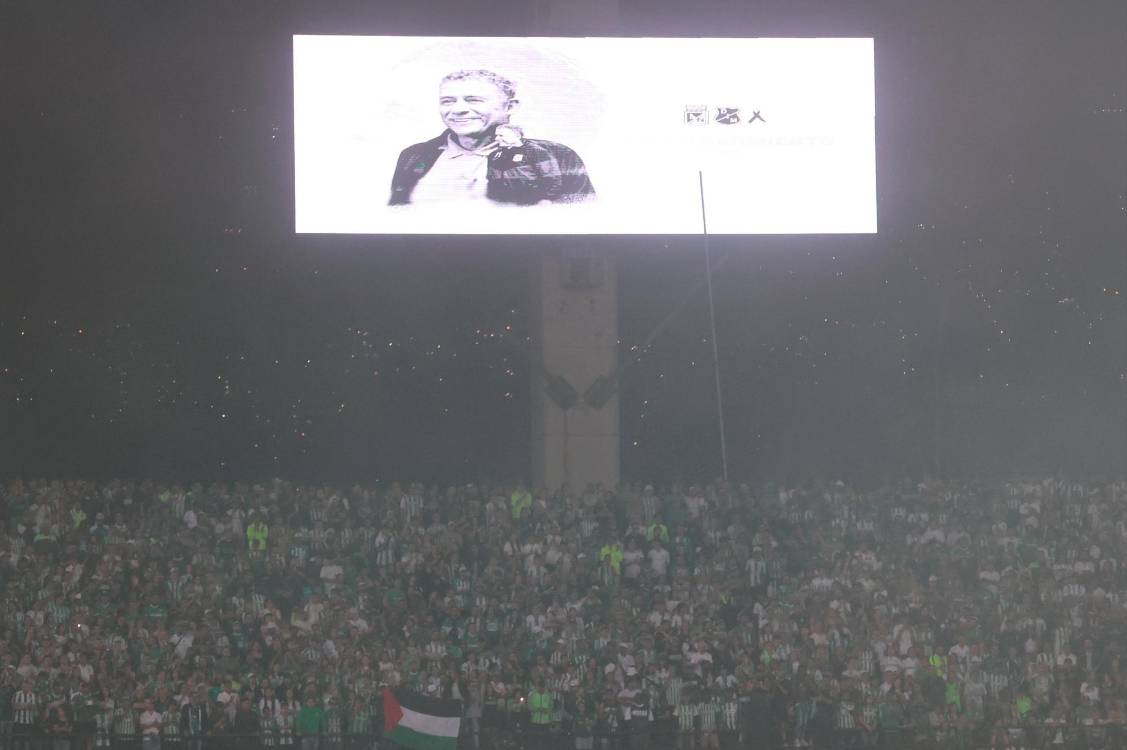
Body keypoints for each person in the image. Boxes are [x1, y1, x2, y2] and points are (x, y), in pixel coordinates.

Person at [388, 69, 595, 206]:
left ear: (510, 107)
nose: (458, 110)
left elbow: (582, 218)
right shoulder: (415, 155)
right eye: (448, 101)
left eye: (474, 100)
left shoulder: (558, 155)